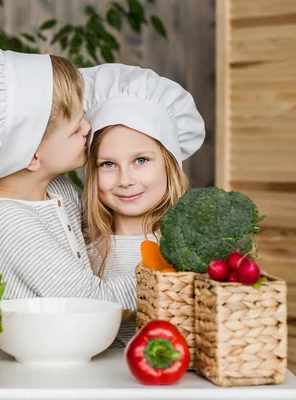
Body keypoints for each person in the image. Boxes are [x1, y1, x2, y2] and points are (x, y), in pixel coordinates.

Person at [0, 38, 138, 308]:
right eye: (75, 128)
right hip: (36, 350)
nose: (87, 127)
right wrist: (165, 272)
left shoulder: (59, 189)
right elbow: (93, 301)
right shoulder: (2, 220)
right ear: (31, 154)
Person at [79, 64, 206, 346]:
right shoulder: (82, 251)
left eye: (141, 160)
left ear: (169, 165)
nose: (125, 180)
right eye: (108, 164)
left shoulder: (191, 253)